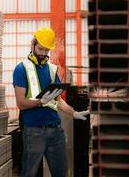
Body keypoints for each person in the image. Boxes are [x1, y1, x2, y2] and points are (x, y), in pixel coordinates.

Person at [13, 27, 89, 177]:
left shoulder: (52, 70)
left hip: (55, 130)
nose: (42, 53)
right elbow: (21, 103)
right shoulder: (21, 69)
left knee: (61, 173)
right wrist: (41, 101)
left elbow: (58, 101)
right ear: (32, 45)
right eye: (40, 49)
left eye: (46, 50)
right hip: (34, 130)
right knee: (29, 173)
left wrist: (74, 113)